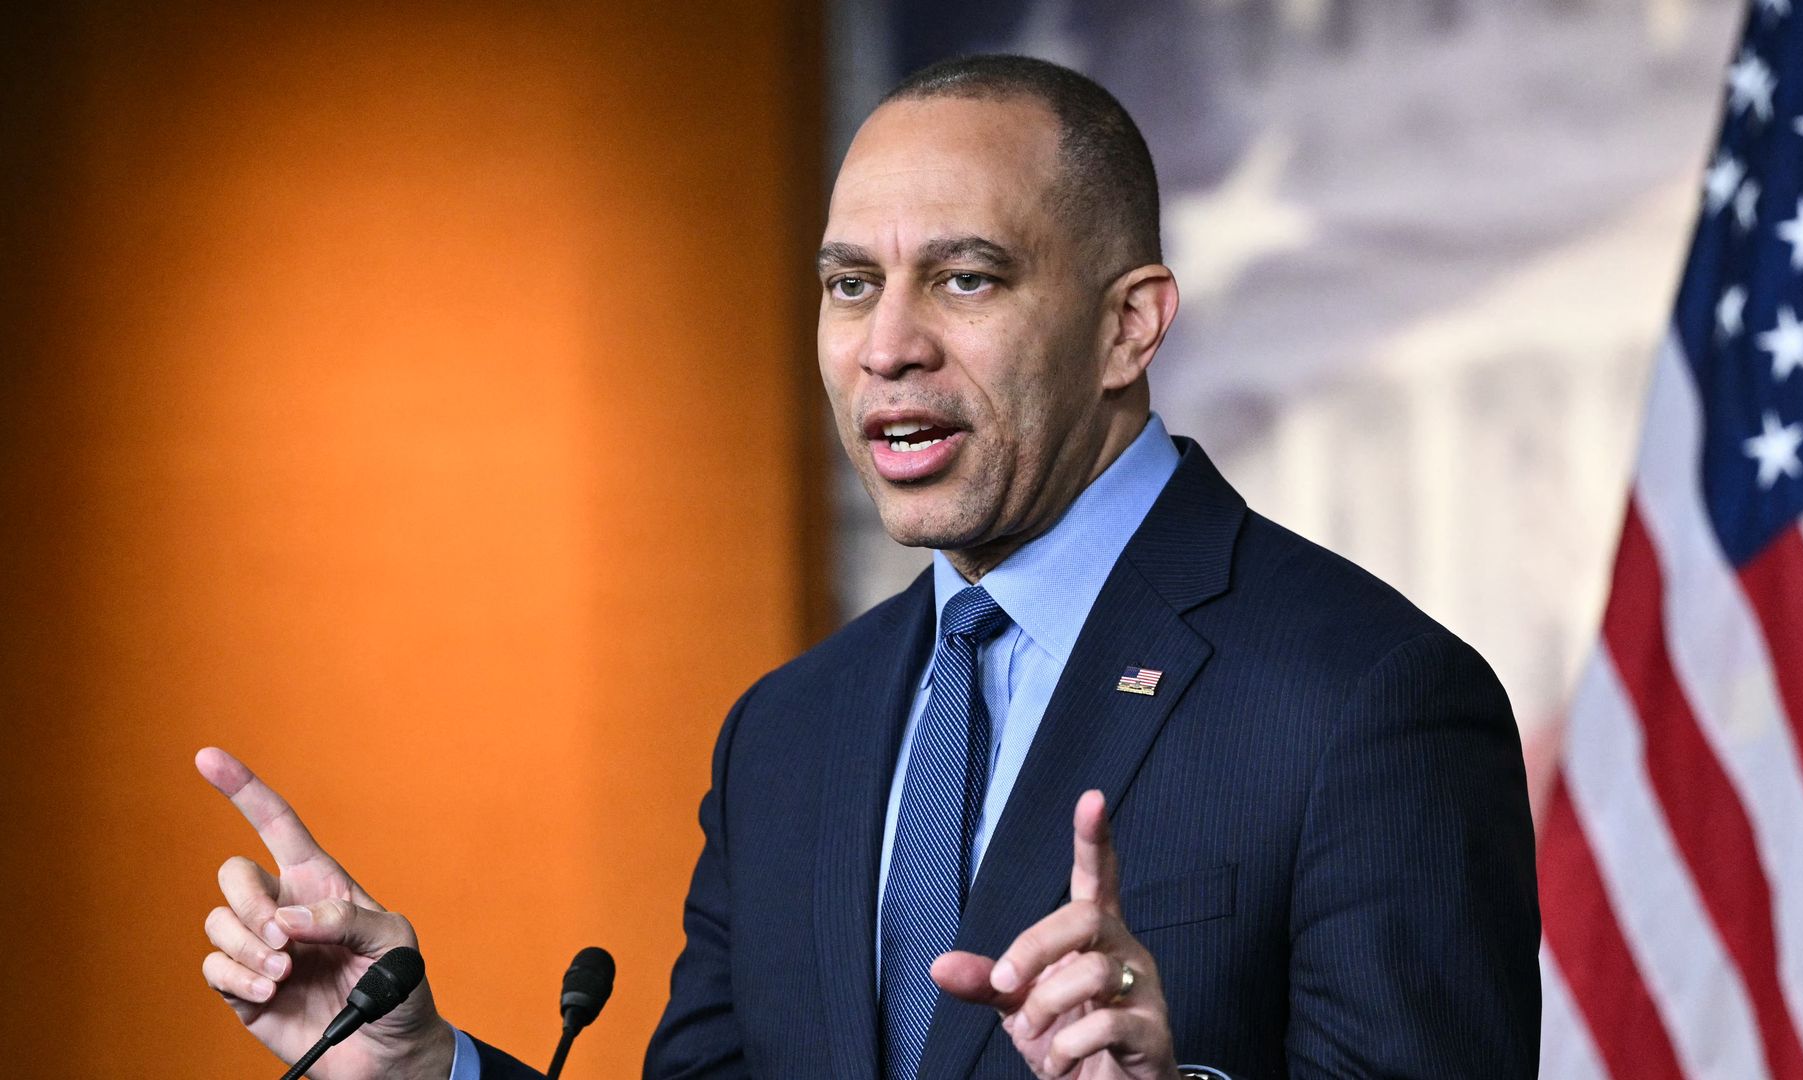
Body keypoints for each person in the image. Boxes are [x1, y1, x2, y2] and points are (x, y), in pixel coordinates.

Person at [197, 55, 1540, 1079]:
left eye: (964, 280)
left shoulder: (1365, 697)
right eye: (850, 285)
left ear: (1130, 326)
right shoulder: (788, 734)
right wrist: (422, 1063)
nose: (886, 344)